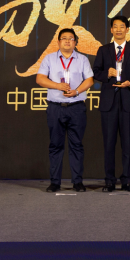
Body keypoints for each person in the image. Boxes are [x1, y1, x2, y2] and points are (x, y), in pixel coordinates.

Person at [35, 28, 95, 193]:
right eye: (64, 38)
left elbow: (90, 80)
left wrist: (76, 91)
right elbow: (40, 78)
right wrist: (57, 86)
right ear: (58, 41)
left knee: (77, 145)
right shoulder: (49, 58)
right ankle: (55, 182)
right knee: (56, 145)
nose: (67, 41)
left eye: (71, 38)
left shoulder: (82, 59)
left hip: (76, 107)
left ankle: (78, 182)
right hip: (56, 107)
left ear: (75, 42)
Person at [92, 15, 130, 192]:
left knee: (128, 144)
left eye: (122, 26)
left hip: (128, 101)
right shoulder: (103, 50)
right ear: (111, 30)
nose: (119, 29)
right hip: (109, 102)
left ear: (127, 29)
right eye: (115, 26)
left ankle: (127, 180)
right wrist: (107, 74)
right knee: (109, 144)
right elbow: (95, 72)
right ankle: (109, 180)